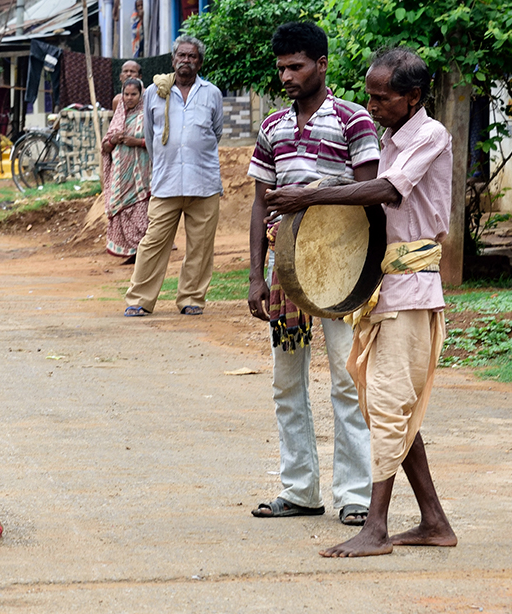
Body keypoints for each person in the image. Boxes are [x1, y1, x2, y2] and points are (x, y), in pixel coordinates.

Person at [265, 48, 457, 558]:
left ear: (413, 96)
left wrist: (311, 197)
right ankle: (434, 521)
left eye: (382, 97)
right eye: (370, 95)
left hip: (412, 289)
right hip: (384, 288)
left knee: (389, 404)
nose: (372, 106)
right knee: (387, 405)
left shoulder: (431, 136)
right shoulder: (393, 137)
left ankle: (375, 529)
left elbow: (386, 192)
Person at [246, 22, 378, 526]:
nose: (286, 76)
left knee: (348, 380)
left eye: (296, 66)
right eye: (281, 67)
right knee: (286, 383)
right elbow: (260, 207)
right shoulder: (272, 127)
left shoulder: (353, 120)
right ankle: (299, 490)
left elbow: (372, 193)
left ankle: (356, 495)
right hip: (288, 273)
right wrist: (256, 276)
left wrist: (310, 196)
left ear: (321, 65)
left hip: (345, 271)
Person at [122, 36, 223, 318]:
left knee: (200, 247)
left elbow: (216, 133)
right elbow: (151, 140)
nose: (186, 61)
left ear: (199, 62)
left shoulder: (212, 93)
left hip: (203, 182)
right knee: (153, 243)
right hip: (166, 183)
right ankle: (140, 299)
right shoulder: (155, 92)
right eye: (181, 55)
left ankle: (191, 298)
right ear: (173, 59)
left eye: (192, 56)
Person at [102, 78, 151, 264]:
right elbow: (105, 147)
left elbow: (160, 142)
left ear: (141, 95)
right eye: (126, 94)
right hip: (120, 175)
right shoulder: (119, 116)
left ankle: (142, 252)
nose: (129, 98)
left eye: (134, 94)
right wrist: (114, 139)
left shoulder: (148, 114)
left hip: (142, 177)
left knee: (140, 212)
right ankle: (130, 252)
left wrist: (136, 142)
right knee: (121, 211)